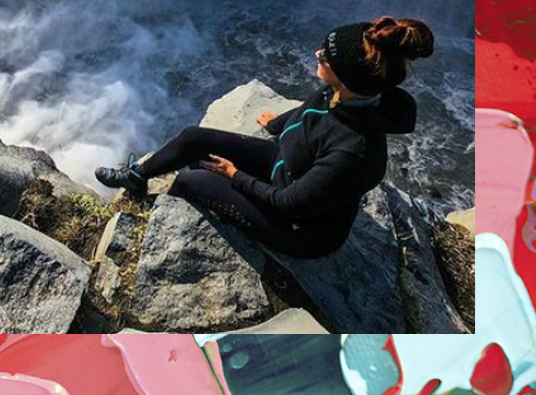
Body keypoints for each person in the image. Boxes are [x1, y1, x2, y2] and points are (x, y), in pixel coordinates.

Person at [94, 16, 435, 258]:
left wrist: (235, 175)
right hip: (283, 165)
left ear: (346, 77)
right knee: (192, 138)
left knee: (190, 179)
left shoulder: (355, 151)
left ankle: (153, 216)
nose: (318, 54)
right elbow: (312, 108)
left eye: (326, 57)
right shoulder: (349, 92)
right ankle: (137, 177)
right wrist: (279, 124)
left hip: (298, 228)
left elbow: (288, 205)